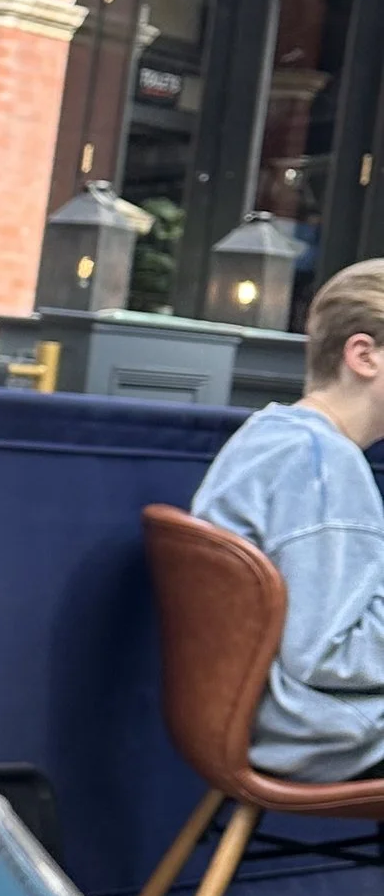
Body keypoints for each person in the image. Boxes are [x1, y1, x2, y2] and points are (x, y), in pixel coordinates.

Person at [191, 257, 384, 781]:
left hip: (264, 717)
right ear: (363, 356)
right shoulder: (324, 465)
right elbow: (327, 654)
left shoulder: (269, 434)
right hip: (319, 730)